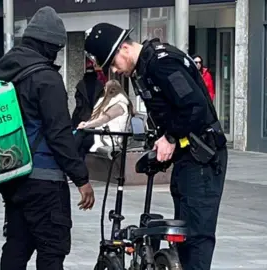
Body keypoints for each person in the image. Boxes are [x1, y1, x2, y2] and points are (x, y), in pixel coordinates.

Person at [85, 23, 228, 270]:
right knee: (182, 234)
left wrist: (171, 137)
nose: (115, 70)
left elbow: (194, 106)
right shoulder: (145, 69)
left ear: (125, 48)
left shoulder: (162, 63)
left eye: (114, 63)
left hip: (203, 156)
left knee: (196, 236)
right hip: (187, 157)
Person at [0, 6, 95, 270]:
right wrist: (81, 178)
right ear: (48, 45)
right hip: (46, 179)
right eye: (57, 48)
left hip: (13, 175)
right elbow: (58, 133)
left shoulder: (5, 73)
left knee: (16, 246)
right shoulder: (46, 79)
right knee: (52, 249)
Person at [77, 79, 135, 153]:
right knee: (80, 137)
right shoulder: (113, 103)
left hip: (110, 139)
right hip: (105, 135)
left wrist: (87, 125)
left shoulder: (119, 105)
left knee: (81, 141)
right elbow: (98, 119)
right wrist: (86, 123)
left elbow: (103, 119)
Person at [72, 59, 104, 159]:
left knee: (79, 142)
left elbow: (78, 103)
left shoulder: (80, 85)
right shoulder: (100, 85)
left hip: (82, 116)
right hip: (95, 116)